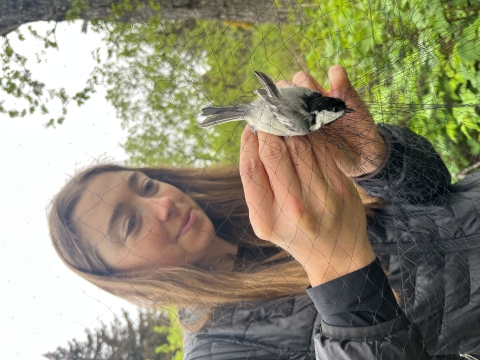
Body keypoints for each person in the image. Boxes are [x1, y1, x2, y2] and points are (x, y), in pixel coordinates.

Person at [47, 65, 480, 359]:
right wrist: (340, 272)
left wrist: (377, 161)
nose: (162, 204)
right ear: (125, 277)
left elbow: (437, 195)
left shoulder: (274, 186)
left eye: (144, 185)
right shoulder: (221, 348)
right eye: (129, 223)